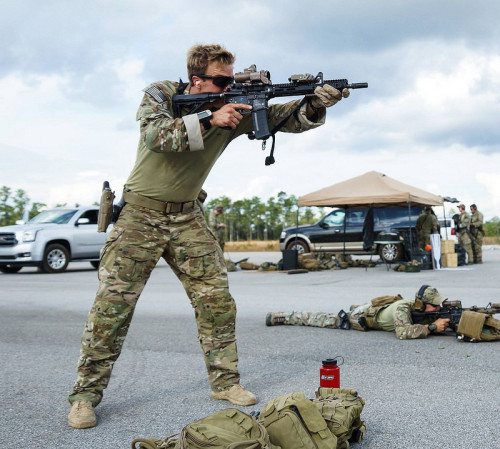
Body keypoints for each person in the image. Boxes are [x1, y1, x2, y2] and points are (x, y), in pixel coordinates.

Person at [67, 43, 350, 429]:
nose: (229, 87)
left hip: (188, 217)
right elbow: (156, 137)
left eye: (232, 81)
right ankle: (85, 396)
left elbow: (289, 118)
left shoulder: (235, 109)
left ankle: (226, 383)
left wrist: (316, 104)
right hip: (139, 216)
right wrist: (209, 118)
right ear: (196, 79)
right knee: (111, 310)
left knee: (216, 301)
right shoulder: (163, 94)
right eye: (221, 81)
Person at [266, 285, 451, 340]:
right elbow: (402, 332)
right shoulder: (404, 309)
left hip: (372, 309)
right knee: (323, 319)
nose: (438, 309)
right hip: (360, 317)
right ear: (423, 303)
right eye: (434, 306)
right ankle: (282, 317)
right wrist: (432, 327)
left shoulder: (419, 307)